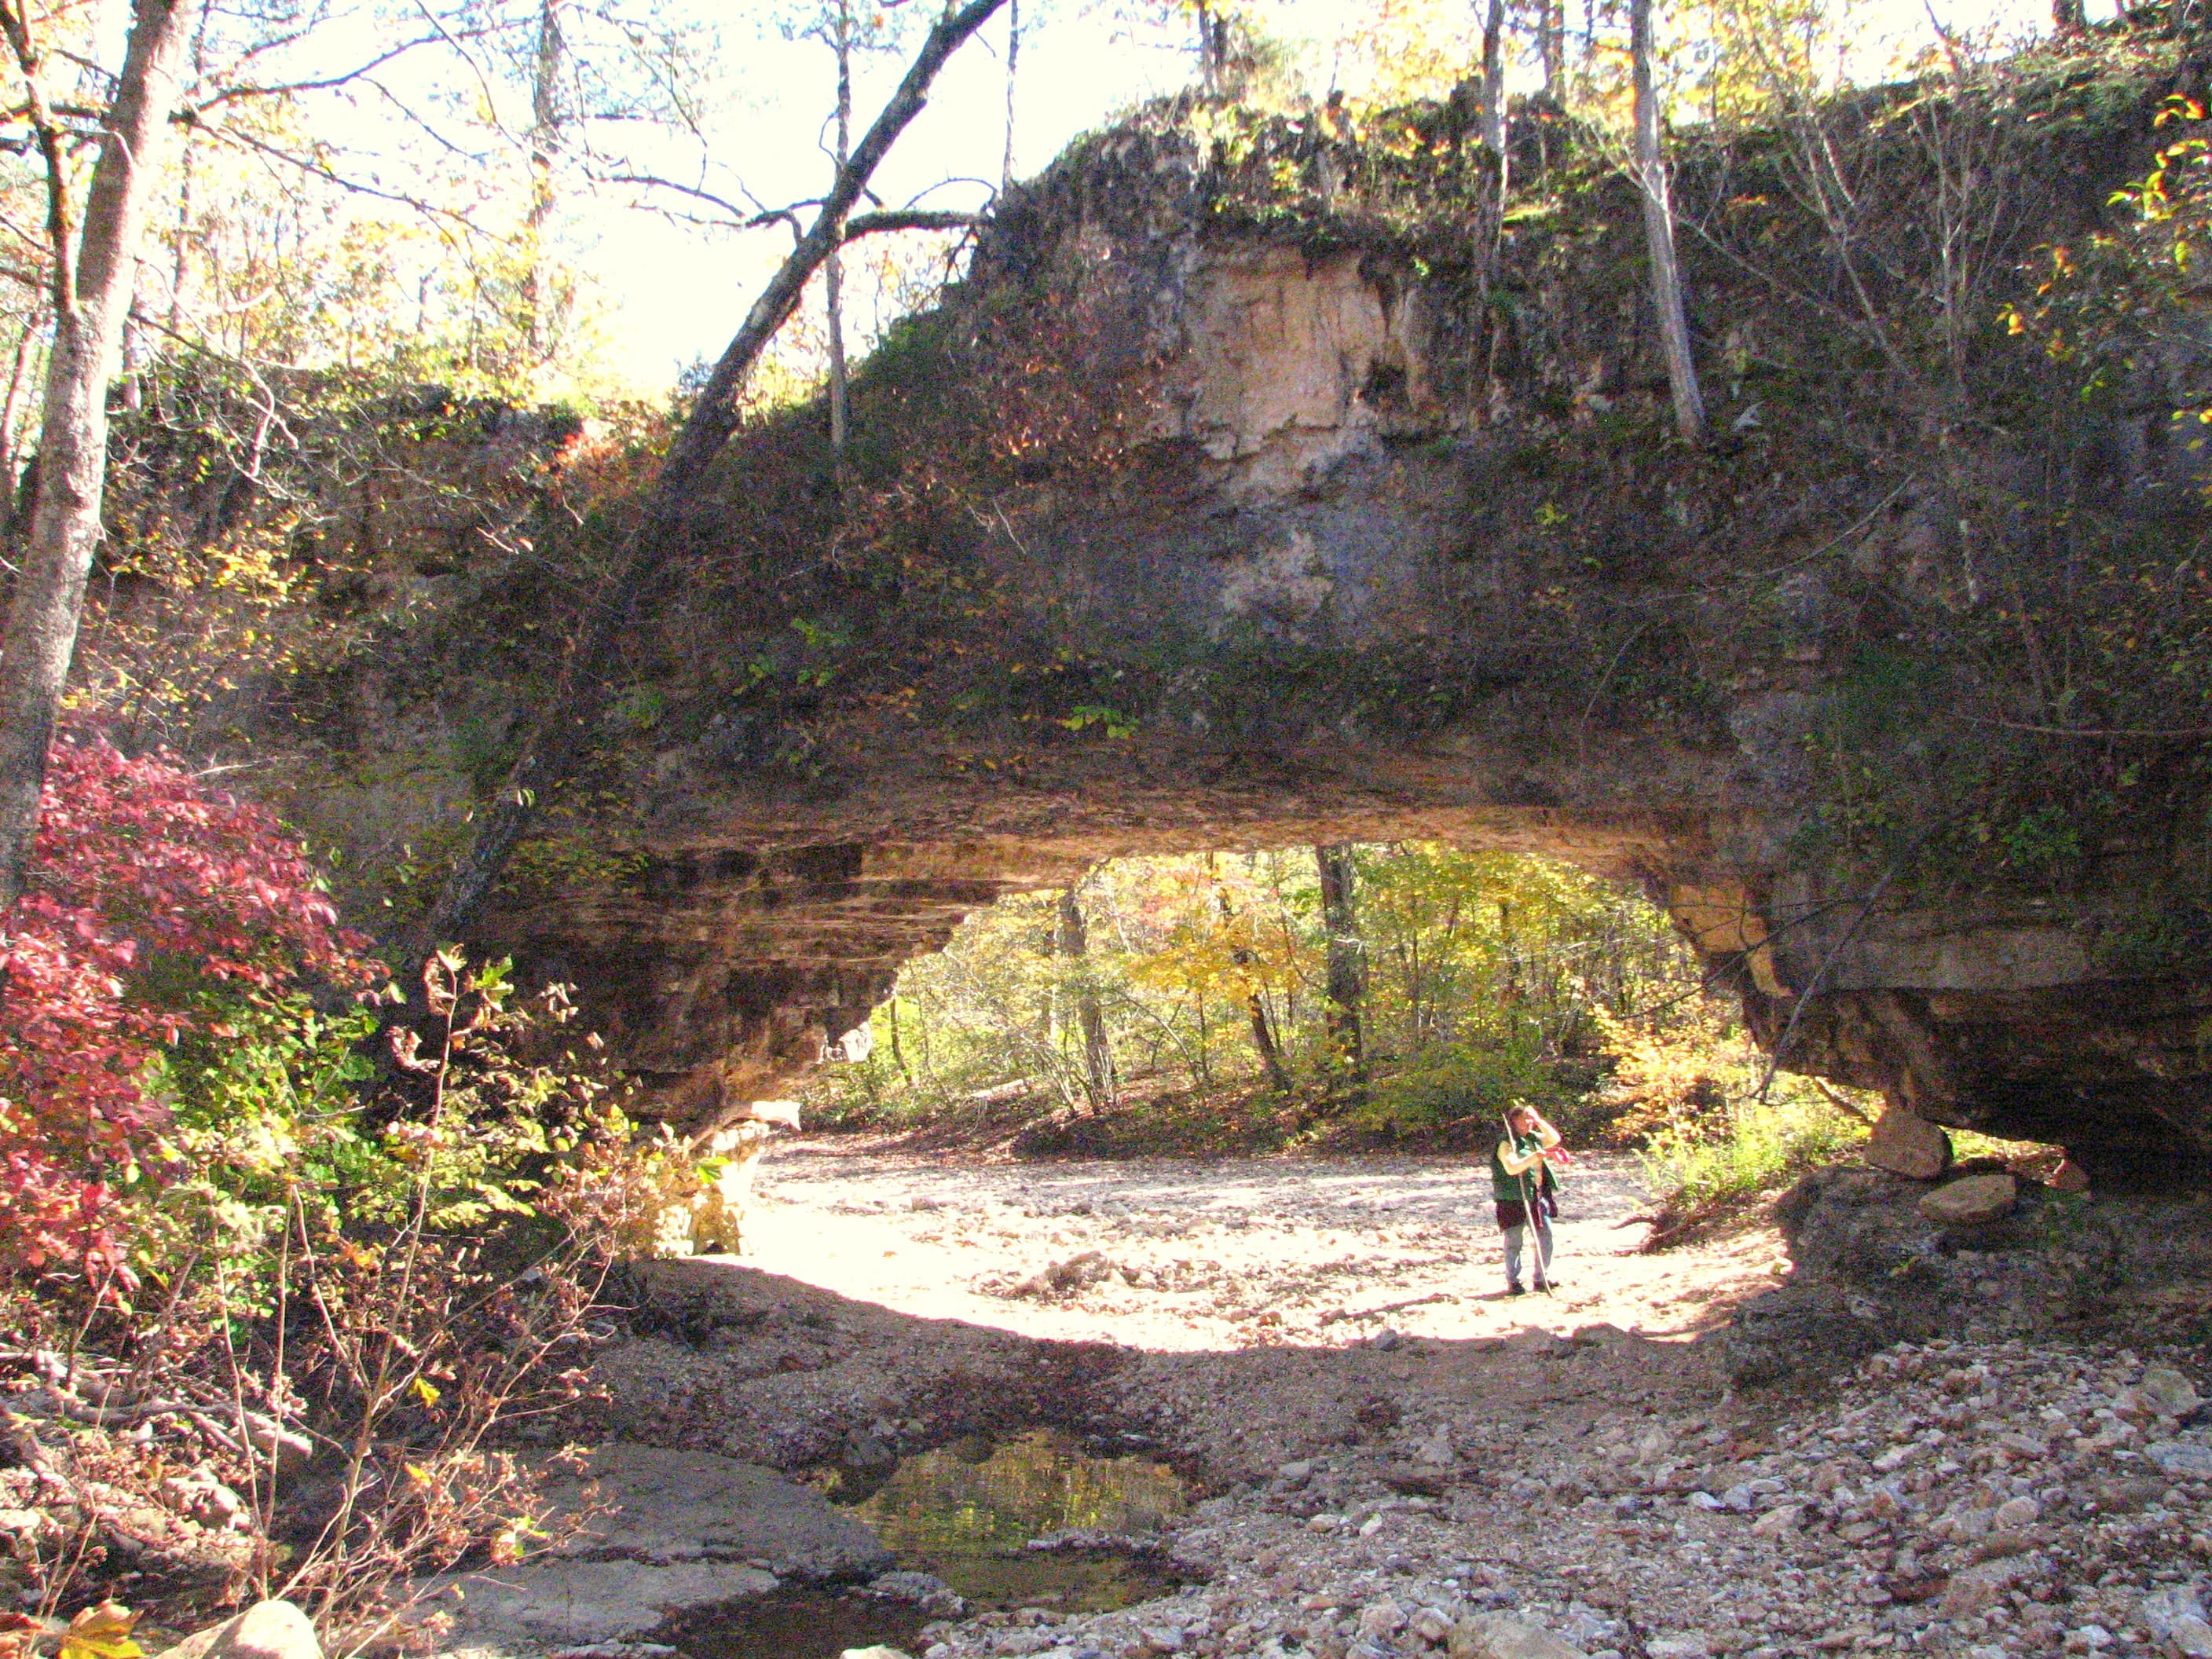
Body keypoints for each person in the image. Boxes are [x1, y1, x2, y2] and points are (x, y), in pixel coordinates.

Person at [1491, 1102, 1569, 1295]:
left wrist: (1539, 1120)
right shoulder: (1507, 1143)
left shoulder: (1533, 1138)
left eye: (1530, 1118)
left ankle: (1541, 1278)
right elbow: (1512, 1168)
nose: (1528, 1122)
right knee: (1514, 1240)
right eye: (1524, 1118)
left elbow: (1554, 1138)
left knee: (1545, 1236)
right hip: (1512, 1199)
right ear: (1514, 1121)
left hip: (1536, 1196)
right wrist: (1536, 1156)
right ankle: (1514, 1281)